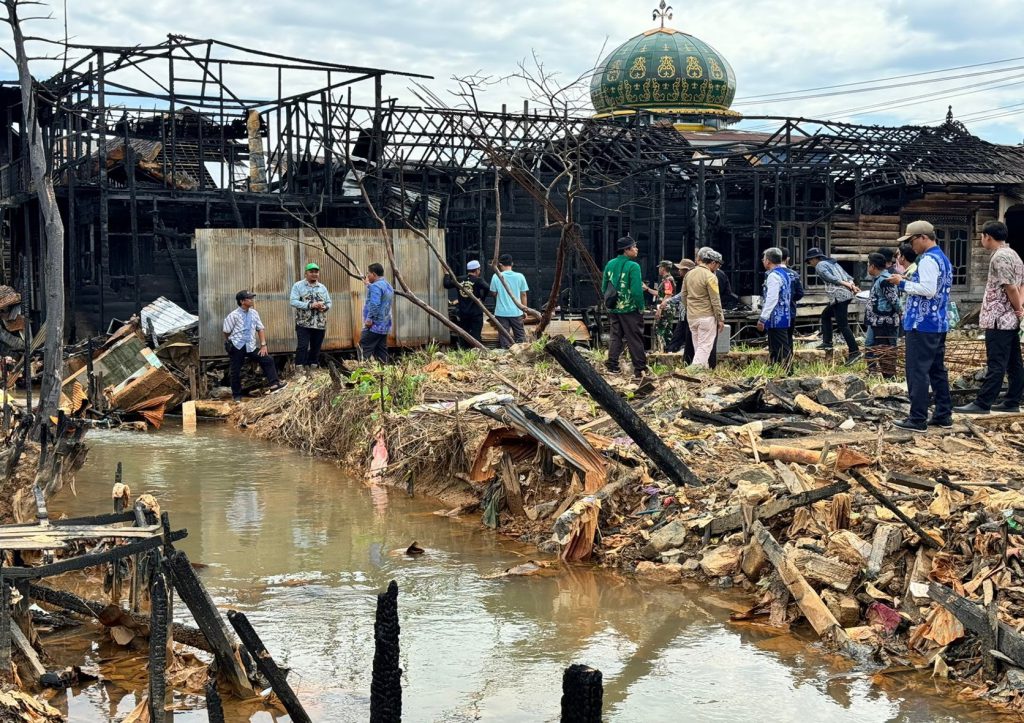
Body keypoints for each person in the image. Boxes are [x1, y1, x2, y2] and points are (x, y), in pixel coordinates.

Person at [886, 220, 953, 431]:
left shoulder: (927, 260)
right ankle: (943, 414)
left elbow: (928, 289)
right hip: (938, 323)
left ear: (923, 238)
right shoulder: (943, 259)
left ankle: (917, 418)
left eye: (911, 240)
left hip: (921, 323)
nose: (911, 246)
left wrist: (902, 283)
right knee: (936, 371)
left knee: (917, 371)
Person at [954, 221, 1024, 414]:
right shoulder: (1014, 255)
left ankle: (983, 403)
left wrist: (1018, 308)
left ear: (988, 237)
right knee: (1013, 362)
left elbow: (1010, 286)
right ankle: (1012, 401)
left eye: (982, 237)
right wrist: (1020, 309)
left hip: (999, 318)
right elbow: (1021, 285)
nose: (981, 240)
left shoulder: (1000, 257)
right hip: (1009, 318)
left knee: (997, 362)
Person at [222, 290, 286, 402]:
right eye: (249, 298)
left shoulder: (254, 313)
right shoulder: (233, 315)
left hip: (250, 345)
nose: (252, 300)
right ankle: (237, 396)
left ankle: (274, 385)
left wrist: (263, 345)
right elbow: (226, 331)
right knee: (235, 370)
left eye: (252, 298)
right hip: (237, 346)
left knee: (267, 359)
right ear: (242, 301)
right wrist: (231, 341)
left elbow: (260, 328)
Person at [602, 236, 647, 378]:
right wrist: (641, 306)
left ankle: (612, 365)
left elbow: (604, 287)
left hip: (614, 308)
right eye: (634, 247)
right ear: (626, 250)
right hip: (629, 308)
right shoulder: (633, 266)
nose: (636, 249)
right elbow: (636, 291)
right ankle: (640, 369)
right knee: (634, 337)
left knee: (616, 336)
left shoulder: (610, 264)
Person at [806, 247, 860, 363]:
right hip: (844, 295)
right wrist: (851, 285)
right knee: (825, 315)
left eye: (810, 260)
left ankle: (854, 351)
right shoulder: (833, 263)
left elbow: (831, 278)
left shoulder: (820, 265)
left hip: (839, 296)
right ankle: (827, 341)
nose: (810, 263)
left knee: (843, 325)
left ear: (815, 258)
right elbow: (848, 277)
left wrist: (846, 284)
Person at [683, 247, 725, 368]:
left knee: (699, 347)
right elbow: (715, 299)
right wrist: (720, 318)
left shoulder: (689, 274)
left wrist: (689, 309)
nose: (718, 267)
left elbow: (684, 296)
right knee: (705, 346)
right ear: (712, 262)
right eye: (718, 264)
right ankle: (693, 370)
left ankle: (703, 371)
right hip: (706, 316)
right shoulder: (710, 277)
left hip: (692, 317)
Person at [290, 262, 332, 373]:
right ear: (306, 273)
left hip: (320, 323)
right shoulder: (298, 286)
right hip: (303, 323)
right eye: (311, 272)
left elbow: (329, 302)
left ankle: (313, 368)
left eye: (316, 272)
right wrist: (310, 305)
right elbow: (293, 301)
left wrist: (325, 307)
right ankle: (299, 369)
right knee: (302, 346)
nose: (314, 274)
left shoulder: (322, 287)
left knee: (316, 347)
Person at [757, 247, 793, 371]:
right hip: (784, 315)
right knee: (778, 345)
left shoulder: (773, 276)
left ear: (768, 261)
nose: (762, 261)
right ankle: (777, 369)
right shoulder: (785, 273)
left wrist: (762, 318)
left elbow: (772, 299)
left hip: (776, 317)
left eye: (764, 259)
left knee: (780, 346)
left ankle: (786, 370)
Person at [864, 252, 900, 378]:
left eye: (868, 264)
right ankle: (872, 372)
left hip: (885, 322)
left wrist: (901, 312)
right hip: (876, 321)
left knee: (886, 349)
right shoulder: (879, 279)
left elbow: (894, 300)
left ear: (873, 266)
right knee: (870, 345)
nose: (867, 267)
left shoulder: (885, 281)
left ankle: (889, 377)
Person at [444, 259, 490, 344]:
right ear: (477, 270)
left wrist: (446, 273)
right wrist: (482, 299)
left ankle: (464, 351)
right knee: (476, 334)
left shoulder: (459, 279)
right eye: (479, 269)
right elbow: (487, 287)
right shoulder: (478, 280)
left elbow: (446, 284)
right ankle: (476, 352)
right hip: (476, 312)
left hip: (463, 312)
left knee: (464, 333)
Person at [489, 254, 529, 348]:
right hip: (517, 311)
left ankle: (507, 357)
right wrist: (524, 309)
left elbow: (493, 293)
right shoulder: (520, 276)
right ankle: (522, 354)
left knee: (504, 337)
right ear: (512, 263)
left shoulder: (496, 276)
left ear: (500, 264)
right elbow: (523, 294)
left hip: (501, 312)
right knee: (520, 337)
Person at [361, 263, 394, 363]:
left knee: (364, 347)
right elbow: (379, 294)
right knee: (381, 351)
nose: (367, 276)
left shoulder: (376, 287)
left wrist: (369, 319)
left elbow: (375, 304)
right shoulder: (388, 285)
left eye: (369, 274)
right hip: (384, 325)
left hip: (374, 325)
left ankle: (363, 372)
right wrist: (369, 285)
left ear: (374, 274)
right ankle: (384, 373)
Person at [660, 259, 694, 355]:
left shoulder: (668, 280)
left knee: (681, 333)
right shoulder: (687, 279)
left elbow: (676, 294)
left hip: (688, 312)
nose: (678, 271)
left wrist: (667, 301)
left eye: (680, 269)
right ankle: (673, 350)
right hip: (684, 312)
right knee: (682, 334)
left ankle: (671, 350)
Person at [645, 261, 677, 350]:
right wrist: (647, 289)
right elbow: (660, 294)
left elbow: (668, 295)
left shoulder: (668, 280)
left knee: (660, 330)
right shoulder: (666, 280)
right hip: (667, 308)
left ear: (663, 268)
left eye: (660, 268)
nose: (659, 269)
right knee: (666, 331)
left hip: (665, 309)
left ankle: (662, 351)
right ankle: (667, 351)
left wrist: (660, 309)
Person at [780, 250, 805, 348]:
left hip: (777, 313)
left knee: (777, 339)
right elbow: (800, 293)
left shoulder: (771, 274)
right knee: (789, 337)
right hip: (791, 310)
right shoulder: (793, 274)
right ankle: (789, 361)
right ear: (788, 259)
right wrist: (790, 299)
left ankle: (779, 361)